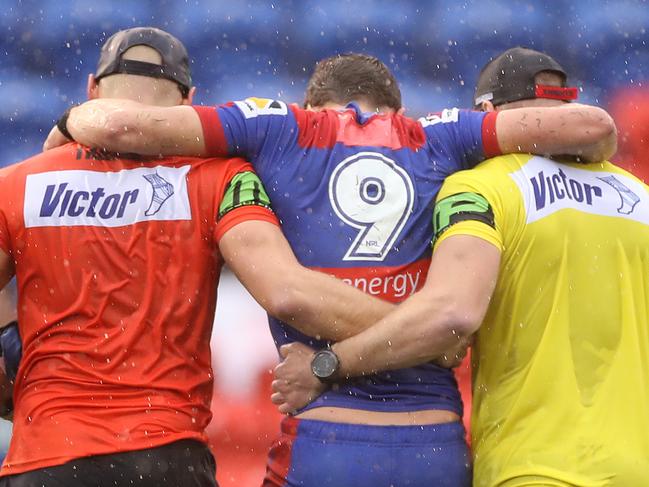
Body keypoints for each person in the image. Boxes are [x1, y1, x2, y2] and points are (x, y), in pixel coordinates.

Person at [44, 51, 616, 487]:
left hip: (325, 434)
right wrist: (426, 336)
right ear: (395, 110)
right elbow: (590, 128)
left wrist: (71, 120)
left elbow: (118, 127)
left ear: (312, 101)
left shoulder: (276, 126)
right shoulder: (442, 135)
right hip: (434, 444)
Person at [0, 28, 400, 487]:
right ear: (189, 101)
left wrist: (11, 345)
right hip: (167, 457)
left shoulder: (17, 182)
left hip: (45, 458)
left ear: (92, 89)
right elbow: (287, 292)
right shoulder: (221, 177)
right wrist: (416, 329)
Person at [272, 48, 649, 486]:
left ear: (486, 114)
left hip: (534, 466)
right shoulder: (639, 194)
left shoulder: (478, 189)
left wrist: (327, 364)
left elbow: (451, 315)